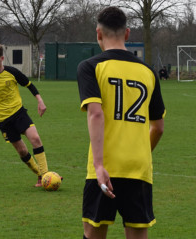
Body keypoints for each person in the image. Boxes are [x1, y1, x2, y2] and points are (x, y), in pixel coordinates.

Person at [76, 7, 166, 239]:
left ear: (98, 34)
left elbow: (96, 114)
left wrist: (98, 165)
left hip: (103, 167)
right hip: (138, 168)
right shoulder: (149, 72)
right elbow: (158, 127)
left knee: (93, 233)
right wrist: (140, 154)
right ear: (127, 34)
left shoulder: (90, 67)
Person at [0, 44, 49, 187]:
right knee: (22, 151)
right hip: (2, 120)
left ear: (2, 58)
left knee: (35, 138)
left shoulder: (12, 72)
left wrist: (40, 101)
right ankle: (39, 175)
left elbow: (29, 85)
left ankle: (46, 175)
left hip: (19, 113)